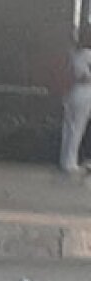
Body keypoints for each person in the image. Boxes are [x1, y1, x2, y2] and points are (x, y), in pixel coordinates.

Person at [61, 28, 91, 174]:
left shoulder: (75, 54)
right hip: (86, 91)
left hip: (73, 91)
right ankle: (71, 162)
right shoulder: (88, 55)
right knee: (78, 128)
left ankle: (65, 160)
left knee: (69, 128)